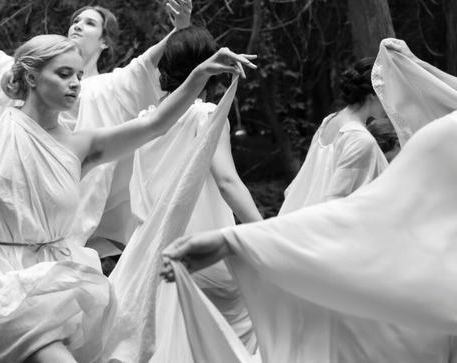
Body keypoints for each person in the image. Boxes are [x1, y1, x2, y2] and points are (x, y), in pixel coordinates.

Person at [0, 4, 255, 362]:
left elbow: (155, 123)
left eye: (78, 75)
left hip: (56, 281)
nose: (76, 83)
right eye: (64, 74)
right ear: (32, 77)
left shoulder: (82, 146)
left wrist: (200, 74)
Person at [162, 38, 457, 362]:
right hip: (341, 252)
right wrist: (248, 240)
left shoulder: (336, 125)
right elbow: (348, 207)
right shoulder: (378, 140)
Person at [0, 0, 196, 280]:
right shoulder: (38, 77)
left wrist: (178, 31)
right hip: (18, 191)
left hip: (68, 198)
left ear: (104, 41)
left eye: (90, 23)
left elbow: (146, 68)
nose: (78, 25)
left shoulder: (109, 86)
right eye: (75, 20)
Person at [119, 26, 261, 361]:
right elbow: (227, 182)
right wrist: (267, 230)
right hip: (201, 255)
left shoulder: (146, 120)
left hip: (147, 252)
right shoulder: (206, 115)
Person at [279, 57, 388, 215]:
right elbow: (334, 200)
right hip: (320, 224)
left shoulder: (329, 121)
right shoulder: (360, 139)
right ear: (373, 95)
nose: (391, 102)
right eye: (387, 93)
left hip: (298, 215)